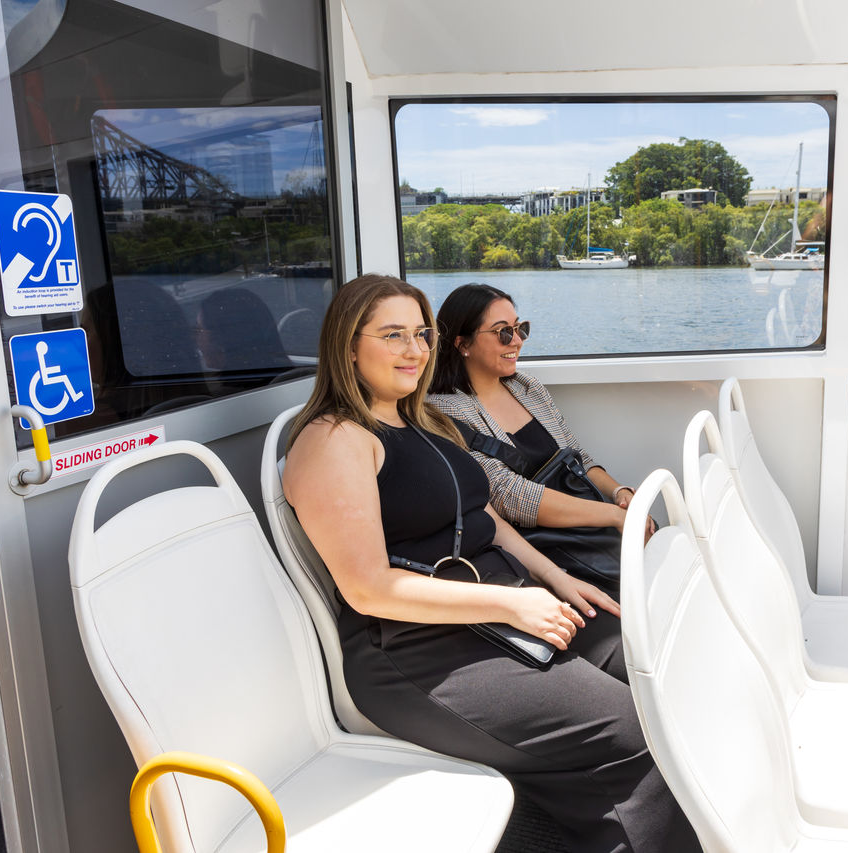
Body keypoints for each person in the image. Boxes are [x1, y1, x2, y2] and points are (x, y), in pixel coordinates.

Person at [282, 274, 697, 853]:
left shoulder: (420, 420)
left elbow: (489, 519)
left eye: (422, 334)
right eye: (393, 335)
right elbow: (369, 590)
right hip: (418, 650)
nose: (414, 349)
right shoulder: (334, 440)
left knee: (656, 669)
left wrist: (559, 579)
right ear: (348, 346)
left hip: (497, 605)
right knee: (631, 730)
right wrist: (513, 601)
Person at [428, 283, 648, 549]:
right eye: (503, 333)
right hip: (540, 543)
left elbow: (576, 455)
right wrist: (613, 517)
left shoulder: (528, 387)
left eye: (520, 328)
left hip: (585, 524)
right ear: (463, 344)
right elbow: (508, 495)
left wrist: (619, 494)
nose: (518, 341)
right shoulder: (446, 410)